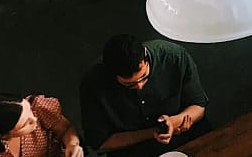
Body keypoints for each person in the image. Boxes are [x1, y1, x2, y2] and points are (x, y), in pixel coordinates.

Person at [80, 34, 209, 157]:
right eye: (129, 84)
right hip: (131, 151)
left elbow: (198, 106)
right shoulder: (93, 84)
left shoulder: (173, 56)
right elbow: (100, 143)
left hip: (184, 138)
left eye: (144, 77)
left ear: (145, 57)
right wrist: (153, 132)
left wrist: (175, 121)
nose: (140, 86)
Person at [0, 93, 83, 157]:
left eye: (30, 111)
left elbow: (65, 128)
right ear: (5, 136)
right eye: (26, 123)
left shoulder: (38, 108)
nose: (34, 119)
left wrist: (72, 144)